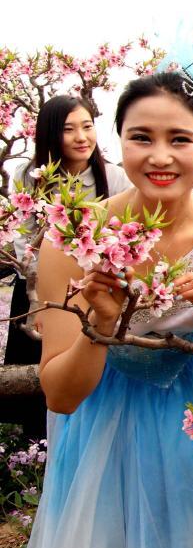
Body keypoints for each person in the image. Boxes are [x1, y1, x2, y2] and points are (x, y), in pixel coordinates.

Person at [26, 71, 193, 548]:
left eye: (181, 139)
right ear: (120, 141)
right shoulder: (72, 241)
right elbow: (61, 397)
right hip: (101, 423)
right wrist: (102, 328)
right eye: (141, 137)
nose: (160, 156)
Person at [0, 95, 132, 437]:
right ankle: (33, 449)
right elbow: (24, 241)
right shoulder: (30, 177)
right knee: (43, 372)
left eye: (87, 127)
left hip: (98, 290)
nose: (81, 137)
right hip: (41, 290)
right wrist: (44, 299)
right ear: (49, 135)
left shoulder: (115, 178)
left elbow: (128, 238)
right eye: (69, 129)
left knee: (91, 367)